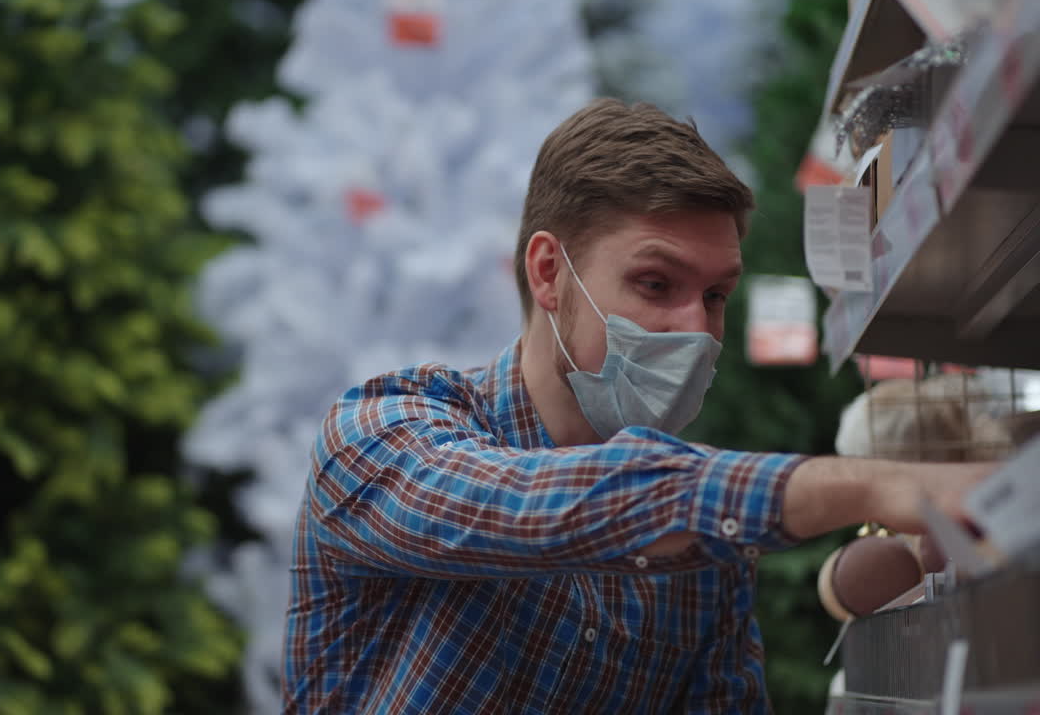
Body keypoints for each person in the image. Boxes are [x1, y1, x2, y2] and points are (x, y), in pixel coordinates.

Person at [281, 98, 990, 713]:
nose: (695, 329)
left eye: (715, 296)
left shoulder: (707, 556)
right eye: (656, 284)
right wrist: (873, 483)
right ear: (549, 273)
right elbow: (532, 507)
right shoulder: (380, 433)